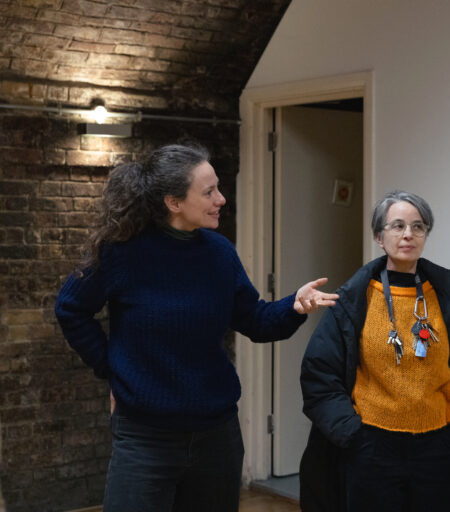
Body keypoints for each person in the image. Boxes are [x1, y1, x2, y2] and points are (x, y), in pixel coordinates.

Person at [54, 144, 338, 512]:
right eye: (208, 192)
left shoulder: (219, 252)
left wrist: (294, 306)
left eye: (218, 188)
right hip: (145, 439)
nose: (221, 199)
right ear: (173, 202)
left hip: (216, 437)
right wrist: (112, 368)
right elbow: (71, 309)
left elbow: (254, 320)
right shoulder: (121, 252)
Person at [299, 190, 450, 512]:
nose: (408, 234)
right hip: (371, 448)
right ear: (379, 236)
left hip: (438, 448)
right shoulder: (353, 301)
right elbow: (320, 375)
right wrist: (353, 435)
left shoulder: (447, 298)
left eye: (418, 227)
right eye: (397, 226)